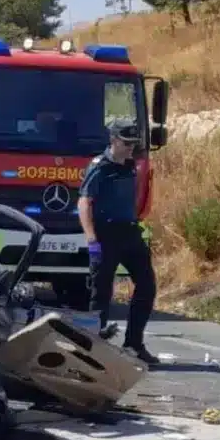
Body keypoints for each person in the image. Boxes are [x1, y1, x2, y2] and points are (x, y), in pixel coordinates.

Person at [78, 118, 158, 364]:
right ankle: (93, 349)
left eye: (133, 142)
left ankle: (134, 344)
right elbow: (84, 202)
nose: (131, 147)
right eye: (126, 142)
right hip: (106, 234)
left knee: (146, 285)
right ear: (113, 141)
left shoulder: (130, 165)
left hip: (130, 232)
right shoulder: (100, 167)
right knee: (101, 293)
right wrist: (92, 240)